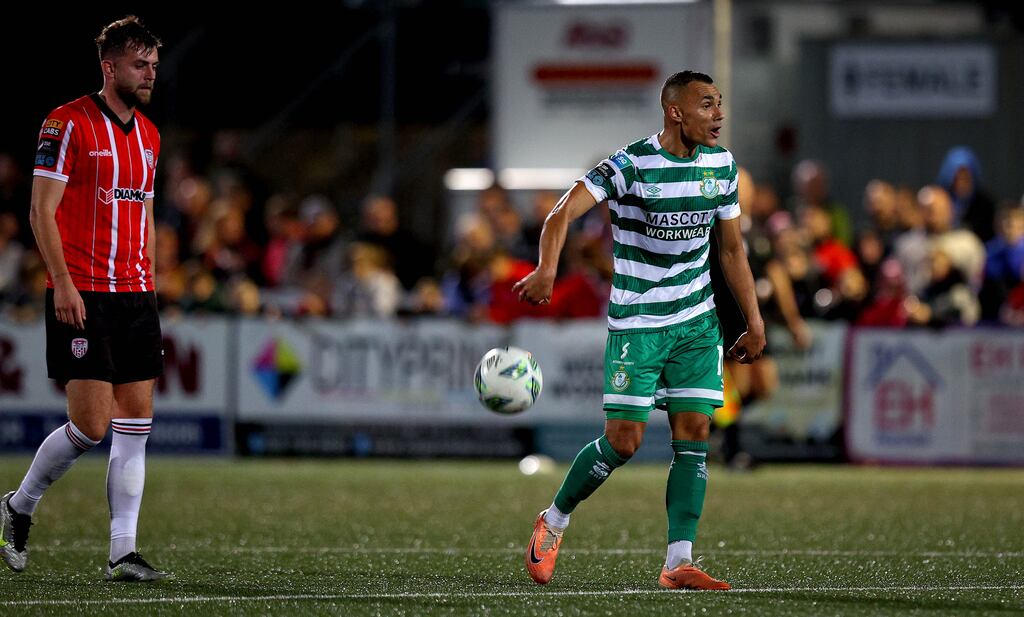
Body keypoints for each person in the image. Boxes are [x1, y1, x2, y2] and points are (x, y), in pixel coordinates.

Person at [514, 70, 765, 590]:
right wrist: (546, 269)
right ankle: (554, 519)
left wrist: (754, 320)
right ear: (675, 111)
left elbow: (733, 250)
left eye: (719, 104)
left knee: (694, 435)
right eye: (706, 105)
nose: (718, 115)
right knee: (624, 443)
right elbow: (561, 214)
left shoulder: (722, 166)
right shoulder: (630, 165)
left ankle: (678, 562)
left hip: (698, 321)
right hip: (639, 324)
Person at [0, 16, 168, 582]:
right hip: (83, 294)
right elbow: (40, 210)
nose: (149, 74)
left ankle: (123, 551)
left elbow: (143, 212)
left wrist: (151, 275)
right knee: (92, 425)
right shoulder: (66, 122)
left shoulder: (149, 135)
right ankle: (19, 504)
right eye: (139, 65)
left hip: (135, 296)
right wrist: (63, 282)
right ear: (110, 66)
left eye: (153, 65)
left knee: (136, 421)